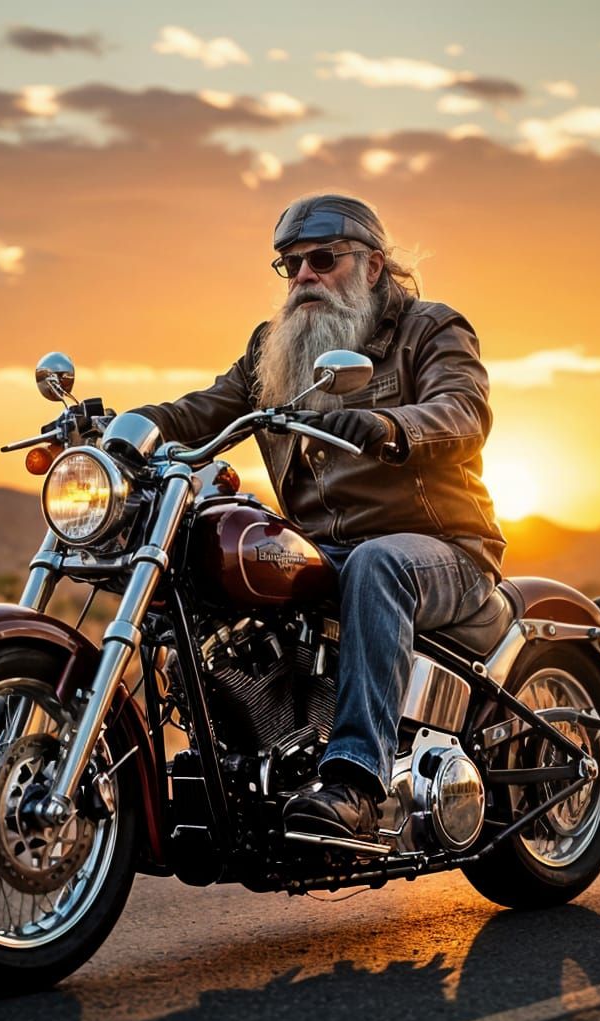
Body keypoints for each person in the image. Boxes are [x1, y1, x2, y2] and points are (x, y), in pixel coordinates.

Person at [132, 193, 505, 843]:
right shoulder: (272, 349)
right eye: (291, 264)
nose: (303, 275)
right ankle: (240, 763)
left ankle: (356, 783)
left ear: (372, 266)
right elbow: (200, 412)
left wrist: (387, 425)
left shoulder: (430, 329)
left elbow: (463, 412)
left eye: (322, 259)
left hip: (443, 551)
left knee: (377, 561)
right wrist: (120, 433)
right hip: (326, 554)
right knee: (201, 571)